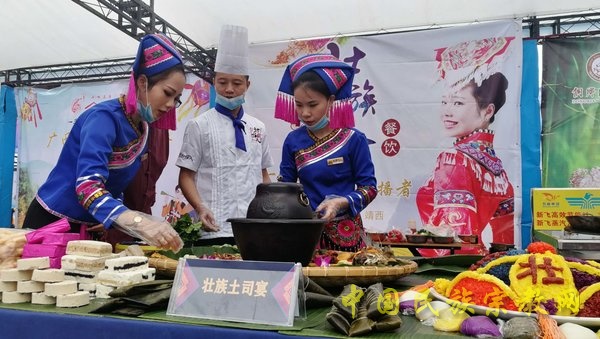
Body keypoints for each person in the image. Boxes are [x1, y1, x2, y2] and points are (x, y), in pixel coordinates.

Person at [22, 33, 185, 252]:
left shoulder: (143, 128)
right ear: (142, 82)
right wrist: (137, 222)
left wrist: (110, 215)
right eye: (167, 93)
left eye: (176, 99)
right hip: (52, 223)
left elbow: (113, 181)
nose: (170, 105)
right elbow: (88, 187)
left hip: (87, 228)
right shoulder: (104, 118)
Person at [177, 25, 273, 246]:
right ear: (214, 81)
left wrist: (269, 209)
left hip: (253, 227)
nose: (229, 89)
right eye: (222, 82)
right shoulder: (199, 125)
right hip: (213, 228)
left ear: (247, 85)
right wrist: (200, 208)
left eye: (237, 83)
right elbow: (186, 175)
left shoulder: (258, 128)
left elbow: (263, 174)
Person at [274, 54, 378, 252]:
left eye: (313, 105)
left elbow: (369, 188)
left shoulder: (353, 139)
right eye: (299, 105)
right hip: (305, 235)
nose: (305, 113)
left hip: (346, 236)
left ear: (330, 100)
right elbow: (285, 188)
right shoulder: (293, 140)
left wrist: (341, 202)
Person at [416, 72, 515, 256]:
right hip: (486, 262)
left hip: (452, 267)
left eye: (458, 103)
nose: (447, 111)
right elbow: (504, 240)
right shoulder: (499, 171)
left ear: (488, 111)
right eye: (444, 102)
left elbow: (454, 238)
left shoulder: (454, 160)